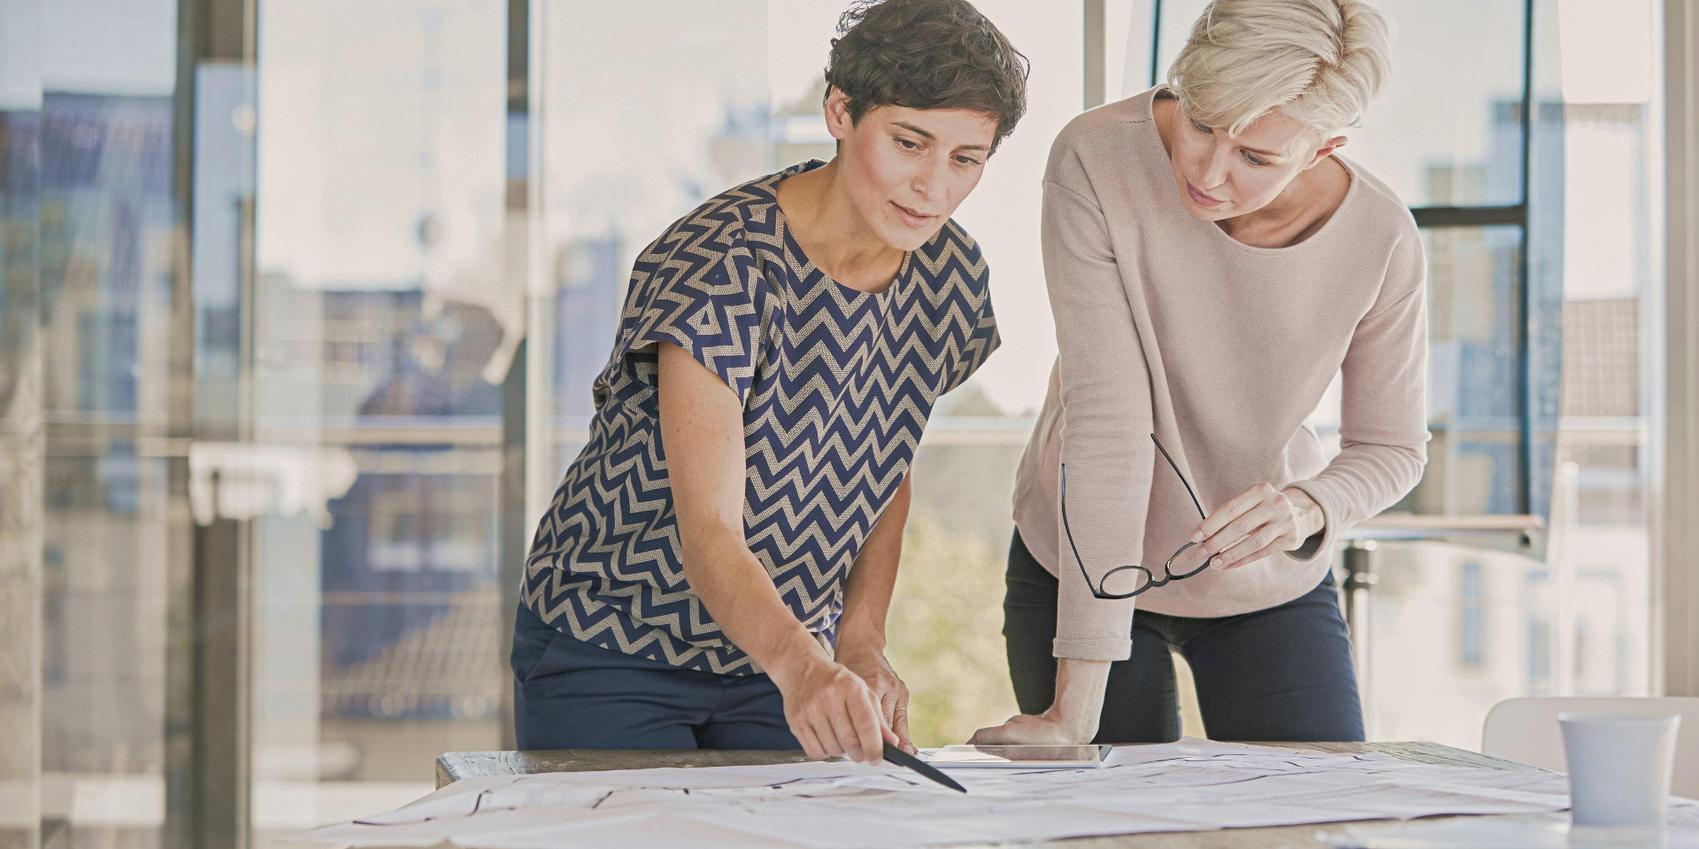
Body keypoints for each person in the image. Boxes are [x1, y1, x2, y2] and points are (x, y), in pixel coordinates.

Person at [512, 0, 1028, 764]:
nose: (932, 186)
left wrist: (860, 640)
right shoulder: (720, 260)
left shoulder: (950, 277)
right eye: (908, 142)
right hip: (613, 640)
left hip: (784, 651)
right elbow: (709, 527)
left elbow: (885, 468)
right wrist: (804, 666)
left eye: (965, 159)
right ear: (840, 112)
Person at [974, 0, 1426, 746]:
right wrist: (1072, 716)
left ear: (1321, 149)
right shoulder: (1097, 158)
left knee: (1317, 800)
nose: (1207, 172)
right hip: (1081, 566)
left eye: (1255, 157)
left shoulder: (1381, 238)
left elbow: (1392, 448)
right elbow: (1110, 420)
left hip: (1264, 579)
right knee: (1109, 805)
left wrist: (1307, 506)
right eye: (1201, 123)